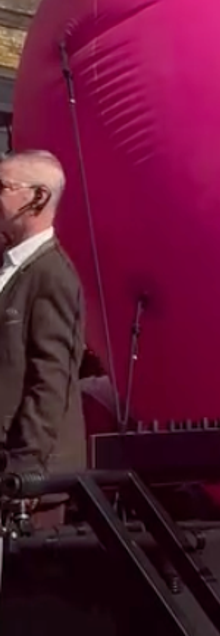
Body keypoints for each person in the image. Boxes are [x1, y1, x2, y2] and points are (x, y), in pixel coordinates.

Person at [0, 150, 86, 526]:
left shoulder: (52, 276)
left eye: (2, 187)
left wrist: (25, 472)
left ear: (37, 198)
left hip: (24, 484)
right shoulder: (11, 266)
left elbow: (51, 381)